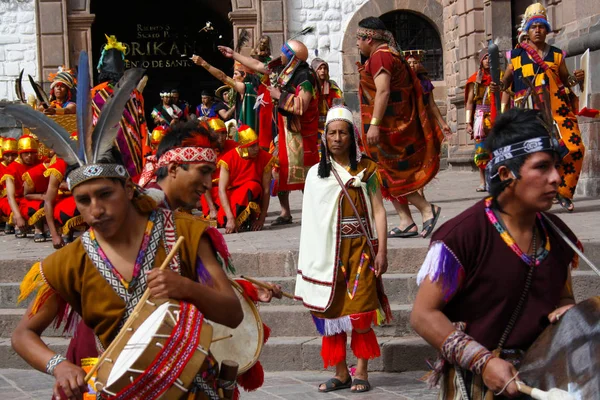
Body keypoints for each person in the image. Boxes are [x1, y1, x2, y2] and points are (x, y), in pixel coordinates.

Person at [11, 109, 244, 399]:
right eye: (83, 200)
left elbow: (233, 313)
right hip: (119, 389)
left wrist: (186, 287)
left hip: (189, 386)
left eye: (106, 194)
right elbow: (22, 335)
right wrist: (58, 366)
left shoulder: (184, 233)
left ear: (129, 189)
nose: (95, 209)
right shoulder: (69, 261)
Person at [410, 108, 581, 399]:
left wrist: (570, 314)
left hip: (540, 384)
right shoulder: (461, 236)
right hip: (478, 386)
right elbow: (423, 315)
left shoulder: (559, 236)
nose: (555, 178)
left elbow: (563, 298)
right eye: (542, 167)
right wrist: (483, 361)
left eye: (556, 167)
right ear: (506, 174)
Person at [295, 106, 391, 393]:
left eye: (342, 133)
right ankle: (340, 373)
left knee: (361, 312)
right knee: (331, 312)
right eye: (331, 133)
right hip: (328, 254)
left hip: (360, 249)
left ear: (352, 136)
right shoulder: (315, 175)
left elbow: (379, 211)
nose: (337, 138)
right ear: (324, 138)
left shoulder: (368, 169)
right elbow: (311, 223)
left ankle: (361, 370)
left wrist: (382, 250)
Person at [356, 17, 444, 239]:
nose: (357, 43)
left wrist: (374, 125)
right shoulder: (388, 55)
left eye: (358, 38)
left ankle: (426, 209)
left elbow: (383, 91)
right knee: (383, 173)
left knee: (390, 174)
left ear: (369, 38)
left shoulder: (381, 57)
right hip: (390, 126)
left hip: (388, 128)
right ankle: (406, 221)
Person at [217, 39, 321, 226]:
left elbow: (302, 105)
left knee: (307, 173)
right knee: (278, 170)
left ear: (292, 57)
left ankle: (313, 210)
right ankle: (285, 212)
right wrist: (234, 54)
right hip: (283, 131)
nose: (280, 55)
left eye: (284, 52)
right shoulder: (282, 70)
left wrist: (279, 96)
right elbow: (258, 65)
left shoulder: (306, 76)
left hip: (301, 133)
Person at [498, 3, 585, 212]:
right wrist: (497, 86)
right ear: (527, 31)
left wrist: (578, 79)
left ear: (546, 30)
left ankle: (564, 191)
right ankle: (531, 196)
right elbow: (505, 83)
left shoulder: (556, 55)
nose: (538, 30)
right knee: (533, 155)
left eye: (541, 26)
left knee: (575, 148)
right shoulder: (516, 56)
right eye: (533, 27)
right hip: (529, 113)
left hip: (558, 110)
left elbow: (567, 81)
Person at [92, 34, 149, 177]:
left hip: (104, 147)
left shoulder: (93, 94)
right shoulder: (134, 93)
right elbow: (142, 123)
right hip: (132, 147)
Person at [217, 125, 274, 233]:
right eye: (252, 146)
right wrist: (230, 218)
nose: (256, 148)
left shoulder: (265, 157)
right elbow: (221, 190)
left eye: (257, 144)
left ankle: (251, 219)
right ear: (243, 147)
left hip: (252, 193)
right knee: (224, 221)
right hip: (233, 197)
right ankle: (236, 221)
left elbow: (266, 190)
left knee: (253, 186)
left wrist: (261, 219)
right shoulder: (228, 158)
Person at [466, 48, 496, 192]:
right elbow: (470, 102)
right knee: (481, 149)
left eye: (490, 57)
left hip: (496, 116)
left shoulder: (500, 76)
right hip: (480, 118)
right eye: (485, 58)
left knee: (497, 147)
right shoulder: (474, 79)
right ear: (481, 61)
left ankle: (497, 178)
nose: (488, 60)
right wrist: (468, 122)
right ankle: (482, 181)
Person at [0, 135, 41, 238]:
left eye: (32, 153)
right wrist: (18, 216)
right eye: (26, 153)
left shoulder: (41, 163)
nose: (30, 156)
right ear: (20, 154)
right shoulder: (12, 169)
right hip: (16, 198)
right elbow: (10, 196)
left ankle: (40, 227)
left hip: (35, 197)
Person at [404, 50, 452, 138]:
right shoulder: (401, 83)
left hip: (424, 120)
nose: (412, 65)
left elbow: (432, 105)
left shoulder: (425, 83)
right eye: (409, 63)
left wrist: (443, 124)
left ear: (419, 64)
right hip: (407, 121)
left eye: (415, 62)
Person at [43, 154, 85, 249]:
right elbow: (48, 201)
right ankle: (67, 232)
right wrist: (54, 235)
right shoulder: (60, 164)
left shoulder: (93, 159)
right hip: (67, 203)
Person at [200, 117, 238, 220]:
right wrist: (212, 208)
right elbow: (204, 181)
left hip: (231, 187)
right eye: (217, 134)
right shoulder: (205, 151)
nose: (221, 138)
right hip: (211, 191)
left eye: (223, 133)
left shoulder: (234, 146)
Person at [311, 58, 343, 140]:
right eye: (320, 68)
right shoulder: (311, 87)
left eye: (325, 68)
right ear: (314, 70)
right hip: (313, 123)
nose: (323, 71)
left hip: (330, 121)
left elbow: (339, 105)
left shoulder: (332, 86)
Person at [0, 137, 19, 233]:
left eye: (13, 155)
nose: (11, 158)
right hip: (4, 197)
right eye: (7, 155)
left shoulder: (20, 165)